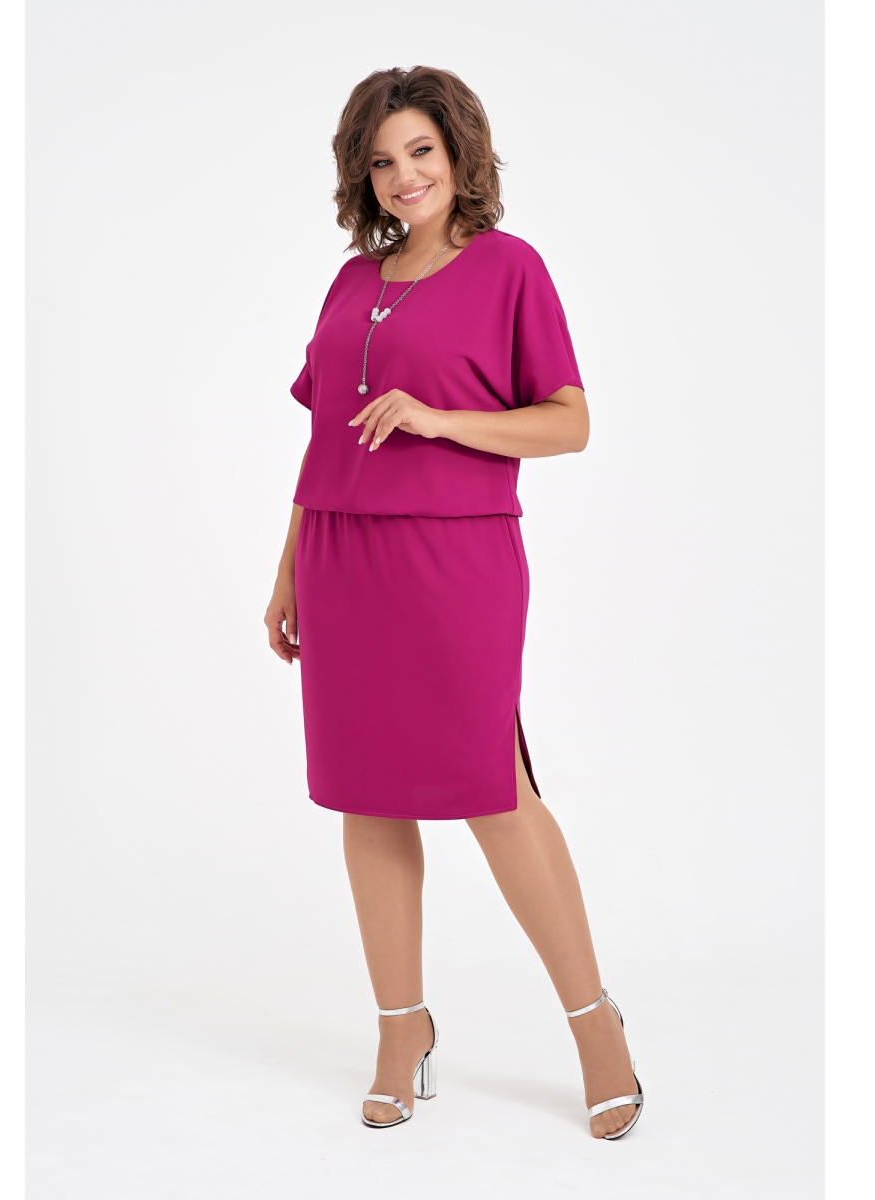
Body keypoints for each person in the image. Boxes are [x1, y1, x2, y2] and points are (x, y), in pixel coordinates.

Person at [264, 65, 643, 1140]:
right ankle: (402, 1029)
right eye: (382, 161)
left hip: (454, 559)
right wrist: (288, 569)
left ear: (460, 153)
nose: (403, 177)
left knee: (493, 788)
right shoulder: (352, 281)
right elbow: (322, 438)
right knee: (367, 793)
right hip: (339, 556)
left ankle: (595, 1025)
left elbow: (568, 422)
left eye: (420, 152)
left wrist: (440, 420)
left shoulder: (510, 268)